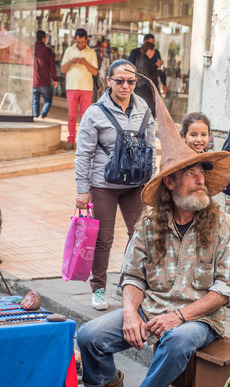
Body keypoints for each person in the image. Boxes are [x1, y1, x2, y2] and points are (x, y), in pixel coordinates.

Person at [76, 76, 230, 387]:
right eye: (191, 173)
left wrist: (179, 315)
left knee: (179, 339)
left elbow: (227, 288)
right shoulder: (150, 222)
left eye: (202, 172)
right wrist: (132, 313)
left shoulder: (223, 224)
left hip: (199, 319)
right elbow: (133, 275)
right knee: (89, 335)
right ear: (170, 182)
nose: (201, 179)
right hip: (151, 308)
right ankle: (105, 382)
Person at [74, 59, 156, 311]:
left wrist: (151, 182)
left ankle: (128, 283)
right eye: (119, 80)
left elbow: (150, 147)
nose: (125, 85)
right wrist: (82, 189)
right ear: (108, 81)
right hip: (103, 185)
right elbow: (83, 153)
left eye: (131, 81)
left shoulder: (143, 108)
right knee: (103, 239)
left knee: (139, 236)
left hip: (135, 184)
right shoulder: (95, 112)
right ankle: (98, 288)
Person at [180, 111, 230, 310]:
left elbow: (223, 184)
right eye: (193, 135)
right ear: (183, 136)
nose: (199, 139)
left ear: (209, 136)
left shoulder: (207, 161)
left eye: (203, 134)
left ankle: (208, 295)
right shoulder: (177, 161)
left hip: (203, 218)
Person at [61, 28, 98, 150]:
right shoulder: (69, 50)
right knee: (71, 116)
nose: (80, 44)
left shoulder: (91, 53)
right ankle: (71, 140)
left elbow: (95, 72)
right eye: (78, 42)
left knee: (85, 117)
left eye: (82, 42)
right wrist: (71, 62)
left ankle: (83, 142)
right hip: (71, 87)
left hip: (86, 88)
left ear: (86, 40)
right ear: (74, 39)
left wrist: (85, 63)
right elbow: (63, 69)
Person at [33, 30, 58, 119]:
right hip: (45, 81)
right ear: (44, 39)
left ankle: (35, 118)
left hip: (34, 81)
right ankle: (42, 115)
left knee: (35, 101)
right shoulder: (47, 50)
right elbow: (52, 66)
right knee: (48, 100)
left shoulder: (31, 49)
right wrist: (55, 79)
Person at [134, 41, 161, 117]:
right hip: (145, 89)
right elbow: (148, 76)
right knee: (148, 112)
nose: (154, 53)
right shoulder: (146, 60)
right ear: (149, 50)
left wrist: (156, 67)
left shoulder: (141, 59)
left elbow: (146, 72)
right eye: (153, 50)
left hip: (140, 88)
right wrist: (159, 72)